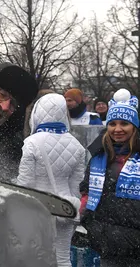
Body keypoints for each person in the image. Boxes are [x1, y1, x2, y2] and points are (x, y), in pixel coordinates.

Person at [17, 93, 85, 267]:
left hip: (39, 208)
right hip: (66, 207)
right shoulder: (77, 146)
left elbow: (25, 185)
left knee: (36, 257)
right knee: (63, 258)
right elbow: (76, 184)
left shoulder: (31, 143)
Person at [80, 88, 140, 266]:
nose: (118, 129)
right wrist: (91, 225)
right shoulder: (99, 156)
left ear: (134, 127)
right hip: (108, 248)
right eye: (113, 123)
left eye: (124, 123)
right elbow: (86, 191)